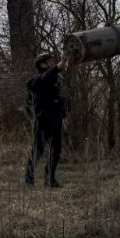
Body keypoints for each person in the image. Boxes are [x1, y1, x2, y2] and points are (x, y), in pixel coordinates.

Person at [24, 52, 68, 188]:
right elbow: (47, 77)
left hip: (55, 120)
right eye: (49, 61)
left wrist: (64, 116)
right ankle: (29, 180)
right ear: (42, 65)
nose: (53, 62)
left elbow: (59, 100)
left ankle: (50, 180)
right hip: (42, 121)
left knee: (56, 150)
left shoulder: (54, 81)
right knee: (38, 150)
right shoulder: (38, 80)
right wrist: (59, 65)